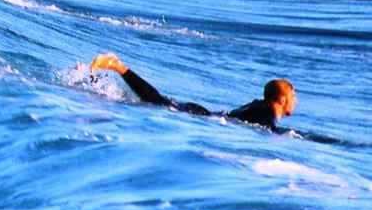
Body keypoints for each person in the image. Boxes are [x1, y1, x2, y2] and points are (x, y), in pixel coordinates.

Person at [89, 53, 297, 131]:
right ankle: (117, 66)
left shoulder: (258, 105)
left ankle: (117, 68)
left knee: (157, 101)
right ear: (281, 98)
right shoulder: (267, 110)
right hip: (202, 116)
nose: (295, 101)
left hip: (204, 113)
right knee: (155, 101)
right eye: (293, 96)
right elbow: (267, 128)